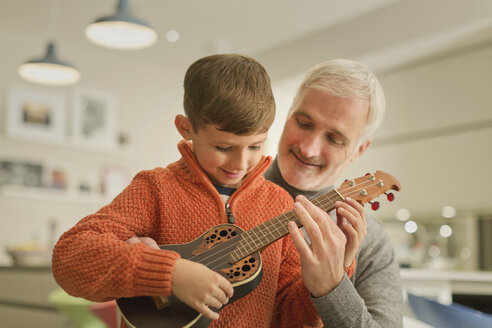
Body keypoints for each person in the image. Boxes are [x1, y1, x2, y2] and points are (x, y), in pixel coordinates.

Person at [51, 54, 356, 328]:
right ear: (186, 128)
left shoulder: (279, 203)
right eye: (224, 147)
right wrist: (170, 275)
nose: (241, 162)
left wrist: (330, 277)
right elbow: (70, 258)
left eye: (255, 146)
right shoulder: (155, 188)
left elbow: (291, 320)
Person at [264, 59, 403, 327]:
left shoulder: (370, 243)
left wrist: (332, 289)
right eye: (303, 122)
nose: (309, 149)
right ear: (289, 112)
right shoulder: (227, 189)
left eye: (334, 139)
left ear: (359, 150)